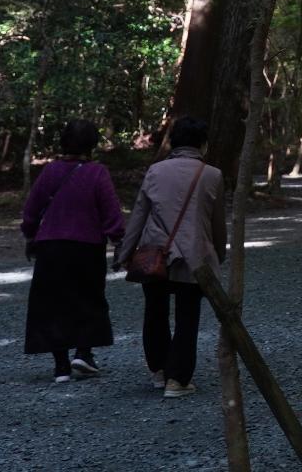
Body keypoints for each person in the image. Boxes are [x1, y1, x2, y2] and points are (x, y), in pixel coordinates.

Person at [115, 116, 226, 397]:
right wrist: (219, 254)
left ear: (173, 142)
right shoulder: (212, 175)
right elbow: (217, 223)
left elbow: (139, 215)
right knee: (188, 317)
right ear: (203, 144)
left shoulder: (155, 171)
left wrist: (125, 254)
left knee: (155, 313)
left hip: (155, 255)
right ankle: (178, 380)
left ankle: (159, 370)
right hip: (195, 257)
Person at [21, 119, 125, 384]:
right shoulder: (98, 173)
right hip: (87, 247)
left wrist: (30, 234)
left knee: (53, 303)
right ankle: (83, 352)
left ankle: (61, 367)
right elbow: (110, 211)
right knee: (88, 298)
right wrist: (118, 239)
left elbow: (32, 208)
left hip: (51, 247)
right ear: (92, 144)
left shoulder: (50, 171)